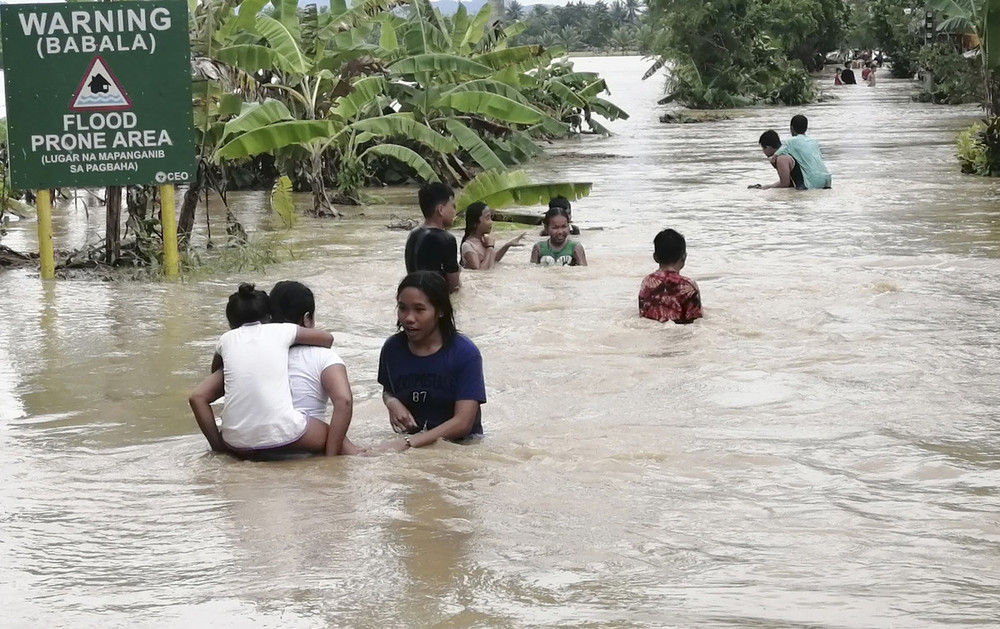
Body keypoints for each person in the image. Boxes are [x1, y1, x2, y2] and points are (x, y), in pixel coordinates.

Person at [189, 281, 360, 458]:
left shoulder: (232, 349)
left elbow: (198, 397)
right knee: (339, 439)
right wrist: (331, 459)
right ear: (307, 318)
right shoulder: (308, 347)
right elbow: (344, 401)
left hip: (237, 443)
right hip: (290, 436)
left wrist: (219, 449)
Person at [373, 271, 486, 452]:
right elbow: (388, 389)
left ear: (440, 310)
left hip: (460, 449)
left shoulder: (465, 354)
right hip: (410, 444)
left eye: (419, 309)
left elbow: (463, 423)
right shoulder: (392, 349)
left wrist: (409, 443)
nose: (409, 318)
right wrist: (391, 402)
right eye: (403, 308)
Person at [404, 182, 460, 293]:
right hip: (434, 298)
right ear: (440, 210)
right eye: (452, 206)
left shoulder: (413, 234)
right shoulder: (447, 239)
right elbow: (454, 286)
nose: (454, 211)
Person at [638, 229, 703, 324]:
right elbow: (696, 322)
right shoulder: (688, 286)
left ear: (655, 257)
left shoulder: (647, 282)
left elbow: (642, 314)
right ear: (684, 257)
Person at [460, 202, 526, 270]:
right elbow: (480, 271)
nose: (491, 222)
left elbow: (493, 259)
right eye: (488, 218)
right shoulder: (468, 245)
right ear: (475, 223)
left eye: (491, 218)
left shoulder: (484, 240)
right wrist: (490, 247)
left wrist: (507, 245)